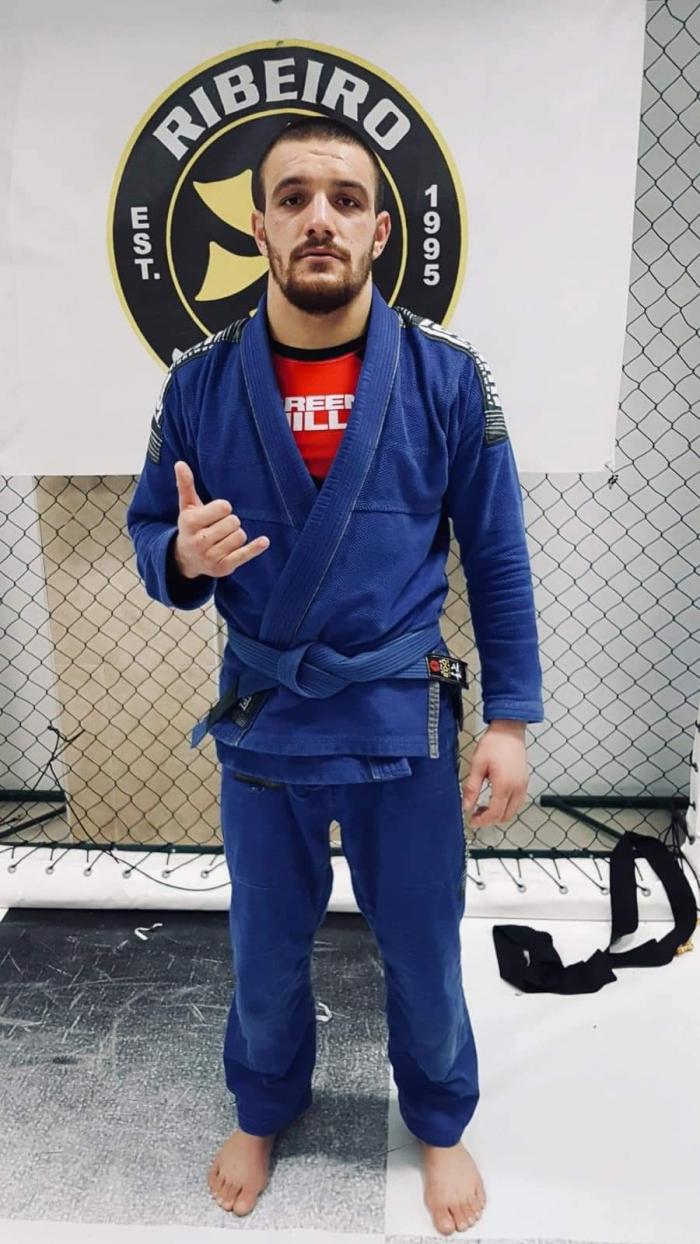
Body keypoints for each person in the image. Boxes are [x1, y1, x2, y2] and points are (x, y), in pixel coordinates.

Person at [126, 116, 544, 1237]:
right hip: (266, 720)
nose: (320, 218)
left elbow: (497, 554)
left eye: (346, 199)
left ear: (379, 229)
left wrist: (509, 719)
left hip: (400, 718)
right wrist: (180, 556)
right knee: (266, 946)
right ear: (257, 225)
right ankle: (264, 1107)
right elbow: (150, 529)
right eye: (294, 197)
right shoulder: (200, 386)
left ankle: (439, 1118)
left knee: (423, 942)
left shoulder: (448, 379)